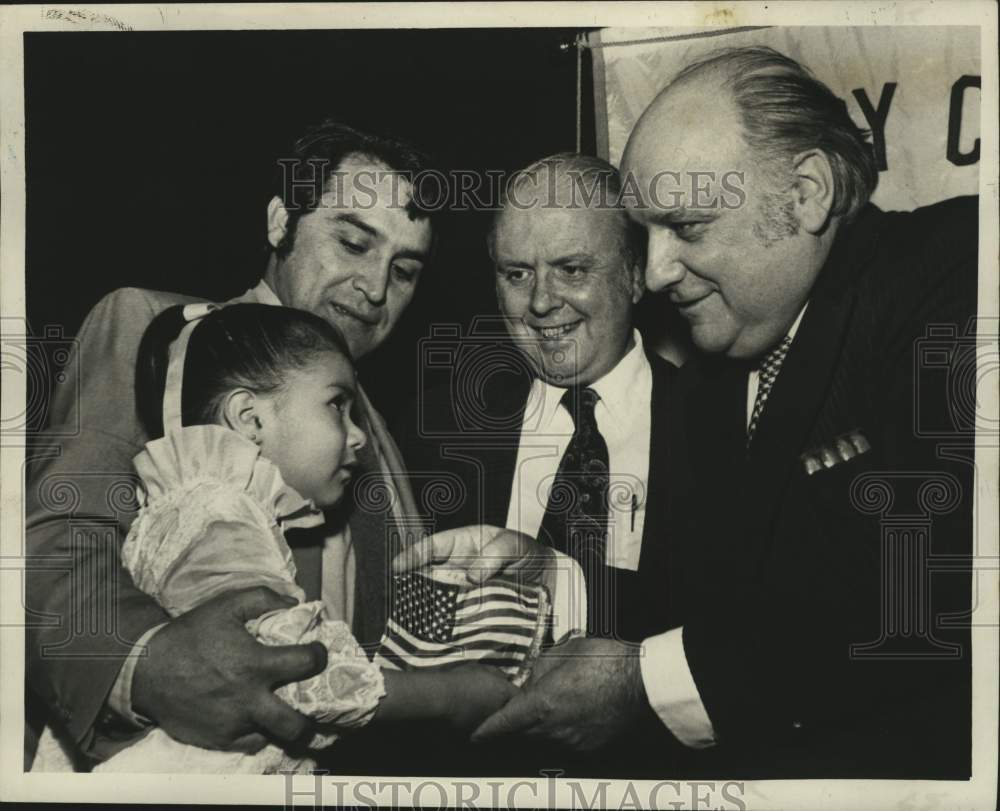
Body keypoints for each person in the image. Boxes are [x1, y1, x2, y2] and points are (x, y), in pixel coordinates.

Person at [473, 46, 976, 778]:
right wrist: (555, 576)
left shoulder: (956, 268)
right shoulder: (719, 384)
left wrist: (645, 681)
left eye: (690, 226)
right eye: (646, 233)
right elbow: (730, 606)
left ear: (805, 192)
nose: (655, 270)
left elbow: (925, 576)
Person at [24, 120, 438, 767]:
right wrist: (148, 664)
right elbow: (53, 542)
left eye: (404, 270)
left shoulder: (377, 437)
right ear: (280, 222)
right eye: (354, 242)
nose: (376, 287)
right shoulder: (158, 333)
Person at [31, 302, 516, 774]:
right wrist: (451, 694)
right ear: (250, 419)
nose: (359, 436)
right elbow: (289, 679)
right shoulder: (222, 515)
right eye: (336, 406)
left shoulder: (198, 505)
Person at [390, 154, 683, 775]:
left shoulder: (724, 427)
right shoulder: (433, 428)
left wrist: (557, 576)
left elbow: (731, 628)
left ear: (635, 275)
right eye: (516, 273)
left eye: (572, 269)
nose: (542, 302)